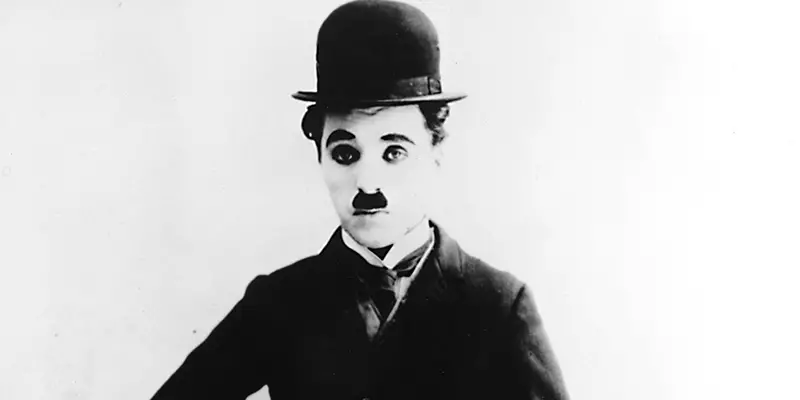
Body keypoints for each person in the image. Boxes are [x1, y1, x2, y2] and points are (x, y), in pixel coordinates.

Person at [152, 1, 569, 399]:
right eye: (345, 154)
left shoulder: (497, 305)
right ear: (319, 155)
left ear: (436, 150)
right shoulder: (279, 303)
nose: (368, 184)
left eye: (394, 152)